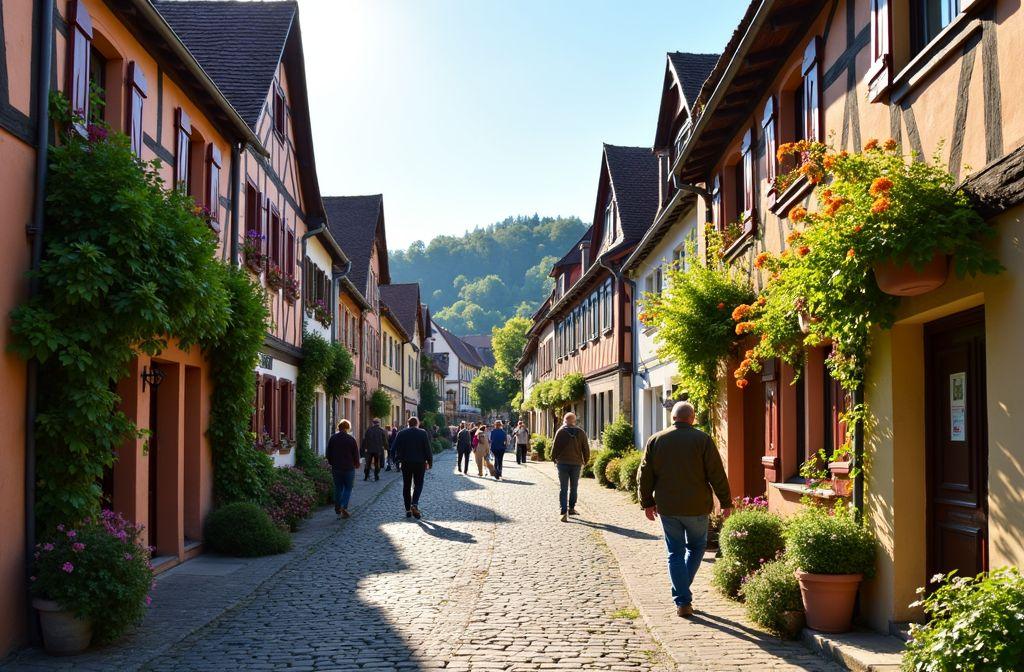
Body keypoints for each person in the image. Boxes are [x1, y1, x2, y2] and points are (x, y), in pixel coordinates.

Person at [638, 401, 732, 619]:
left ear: (673, 418)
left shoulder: (656, 440)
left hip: (668, 506)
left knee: (675, 553)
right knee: (698, 547)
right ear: (692, 418)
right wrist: (726, 502)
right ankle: (682, 592)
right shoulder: (702, 440)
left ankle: (682, 598)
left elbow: (645, 475)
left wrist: (646, 502)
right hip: (697, 506)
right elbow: (716, 473)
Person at [550, 412, 590, 522]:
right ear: (574, 421)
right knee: (574, 487)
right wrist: (586, 460)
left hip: (562, 463)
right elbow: (586, 448)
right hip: (576, 464)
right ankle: (571, 508)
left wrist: (553, 459)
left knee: (563, 488)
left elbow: (554, 447)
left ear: (564, 421)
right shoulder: (581, 432)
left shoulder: (560, 431)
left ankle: (563, 511)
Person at [392, 417, 433, 519]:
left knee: (406, 485)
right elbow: (427, 449)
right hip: (420, 463)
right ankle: (414, 504)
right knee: (418, 484)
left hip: (406, 463)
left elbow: (393, 449)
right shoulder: (423, 433)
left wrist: (396, 461)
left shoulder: (401, 433)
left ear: (408, 424)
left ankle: (407, 510)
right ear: (417, 424)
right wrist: (430, 461)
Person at [326, 419, 360, 519]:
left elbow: (328, 453)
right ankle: (343, 506)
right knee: (348, 488)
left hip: (337, 467)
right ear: (347, 428)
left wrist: (332, 462)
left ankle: (337, 507)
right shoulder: (351, 439)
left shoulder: (333, 438)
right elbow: (356, 454)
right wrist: (356, 463)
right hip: (349, 467)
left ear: (339, 427)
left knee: (338, 487)